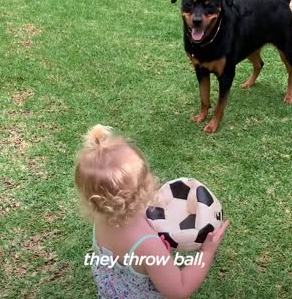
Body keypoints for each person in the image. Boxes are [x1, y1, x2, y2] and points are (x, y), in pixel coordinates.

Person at [75, 125, 230, 299]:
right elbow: (179, 289)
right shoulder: (148, 245)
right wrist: (207, 253)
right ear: (143, 189)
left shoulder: (102, 217)